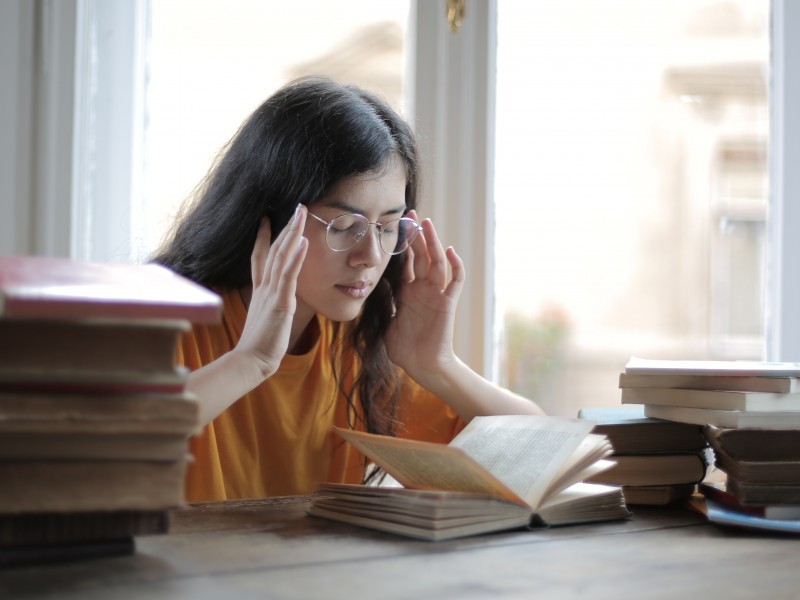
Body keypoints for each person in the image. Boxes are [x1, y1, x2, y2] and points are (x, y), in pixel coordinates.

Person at [153, 76, 544, 503]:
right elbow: (99, 444)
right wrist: (252, 360)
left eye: (389, 227)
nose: (370, 256)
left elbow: (538, 451)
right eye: (344, 227)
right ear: (268, 218)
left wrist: (437, 364)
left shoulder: (352, 343)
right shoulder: (168, 323)